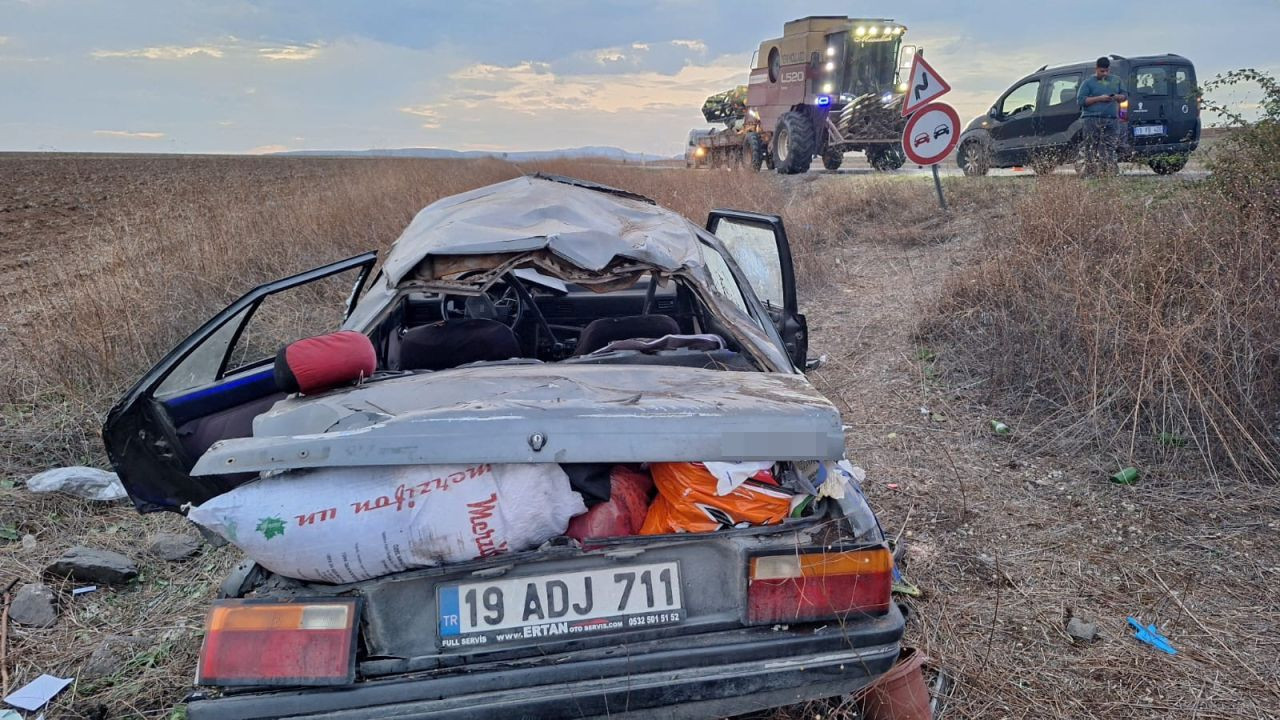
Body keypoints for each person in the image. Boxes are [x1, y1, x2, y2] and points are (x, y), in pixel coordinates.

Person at [1077, 57, 1127, 176]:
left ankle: (1110, 172)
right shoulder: (1088, 82)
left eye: (1106, 71)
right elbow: (1081, 101)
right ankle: (1090, 173)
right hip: (1092, 118)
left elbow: (1124, 96)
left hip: (1112, 119)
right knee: (1091, 146)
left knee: (1110, 146)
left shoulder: (1116, 81)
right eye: (1101, 71)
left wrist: (1117, 97)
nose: (1104, 74)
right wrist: (1099, 98)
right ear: (1096, 69)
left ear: (1109, 69)